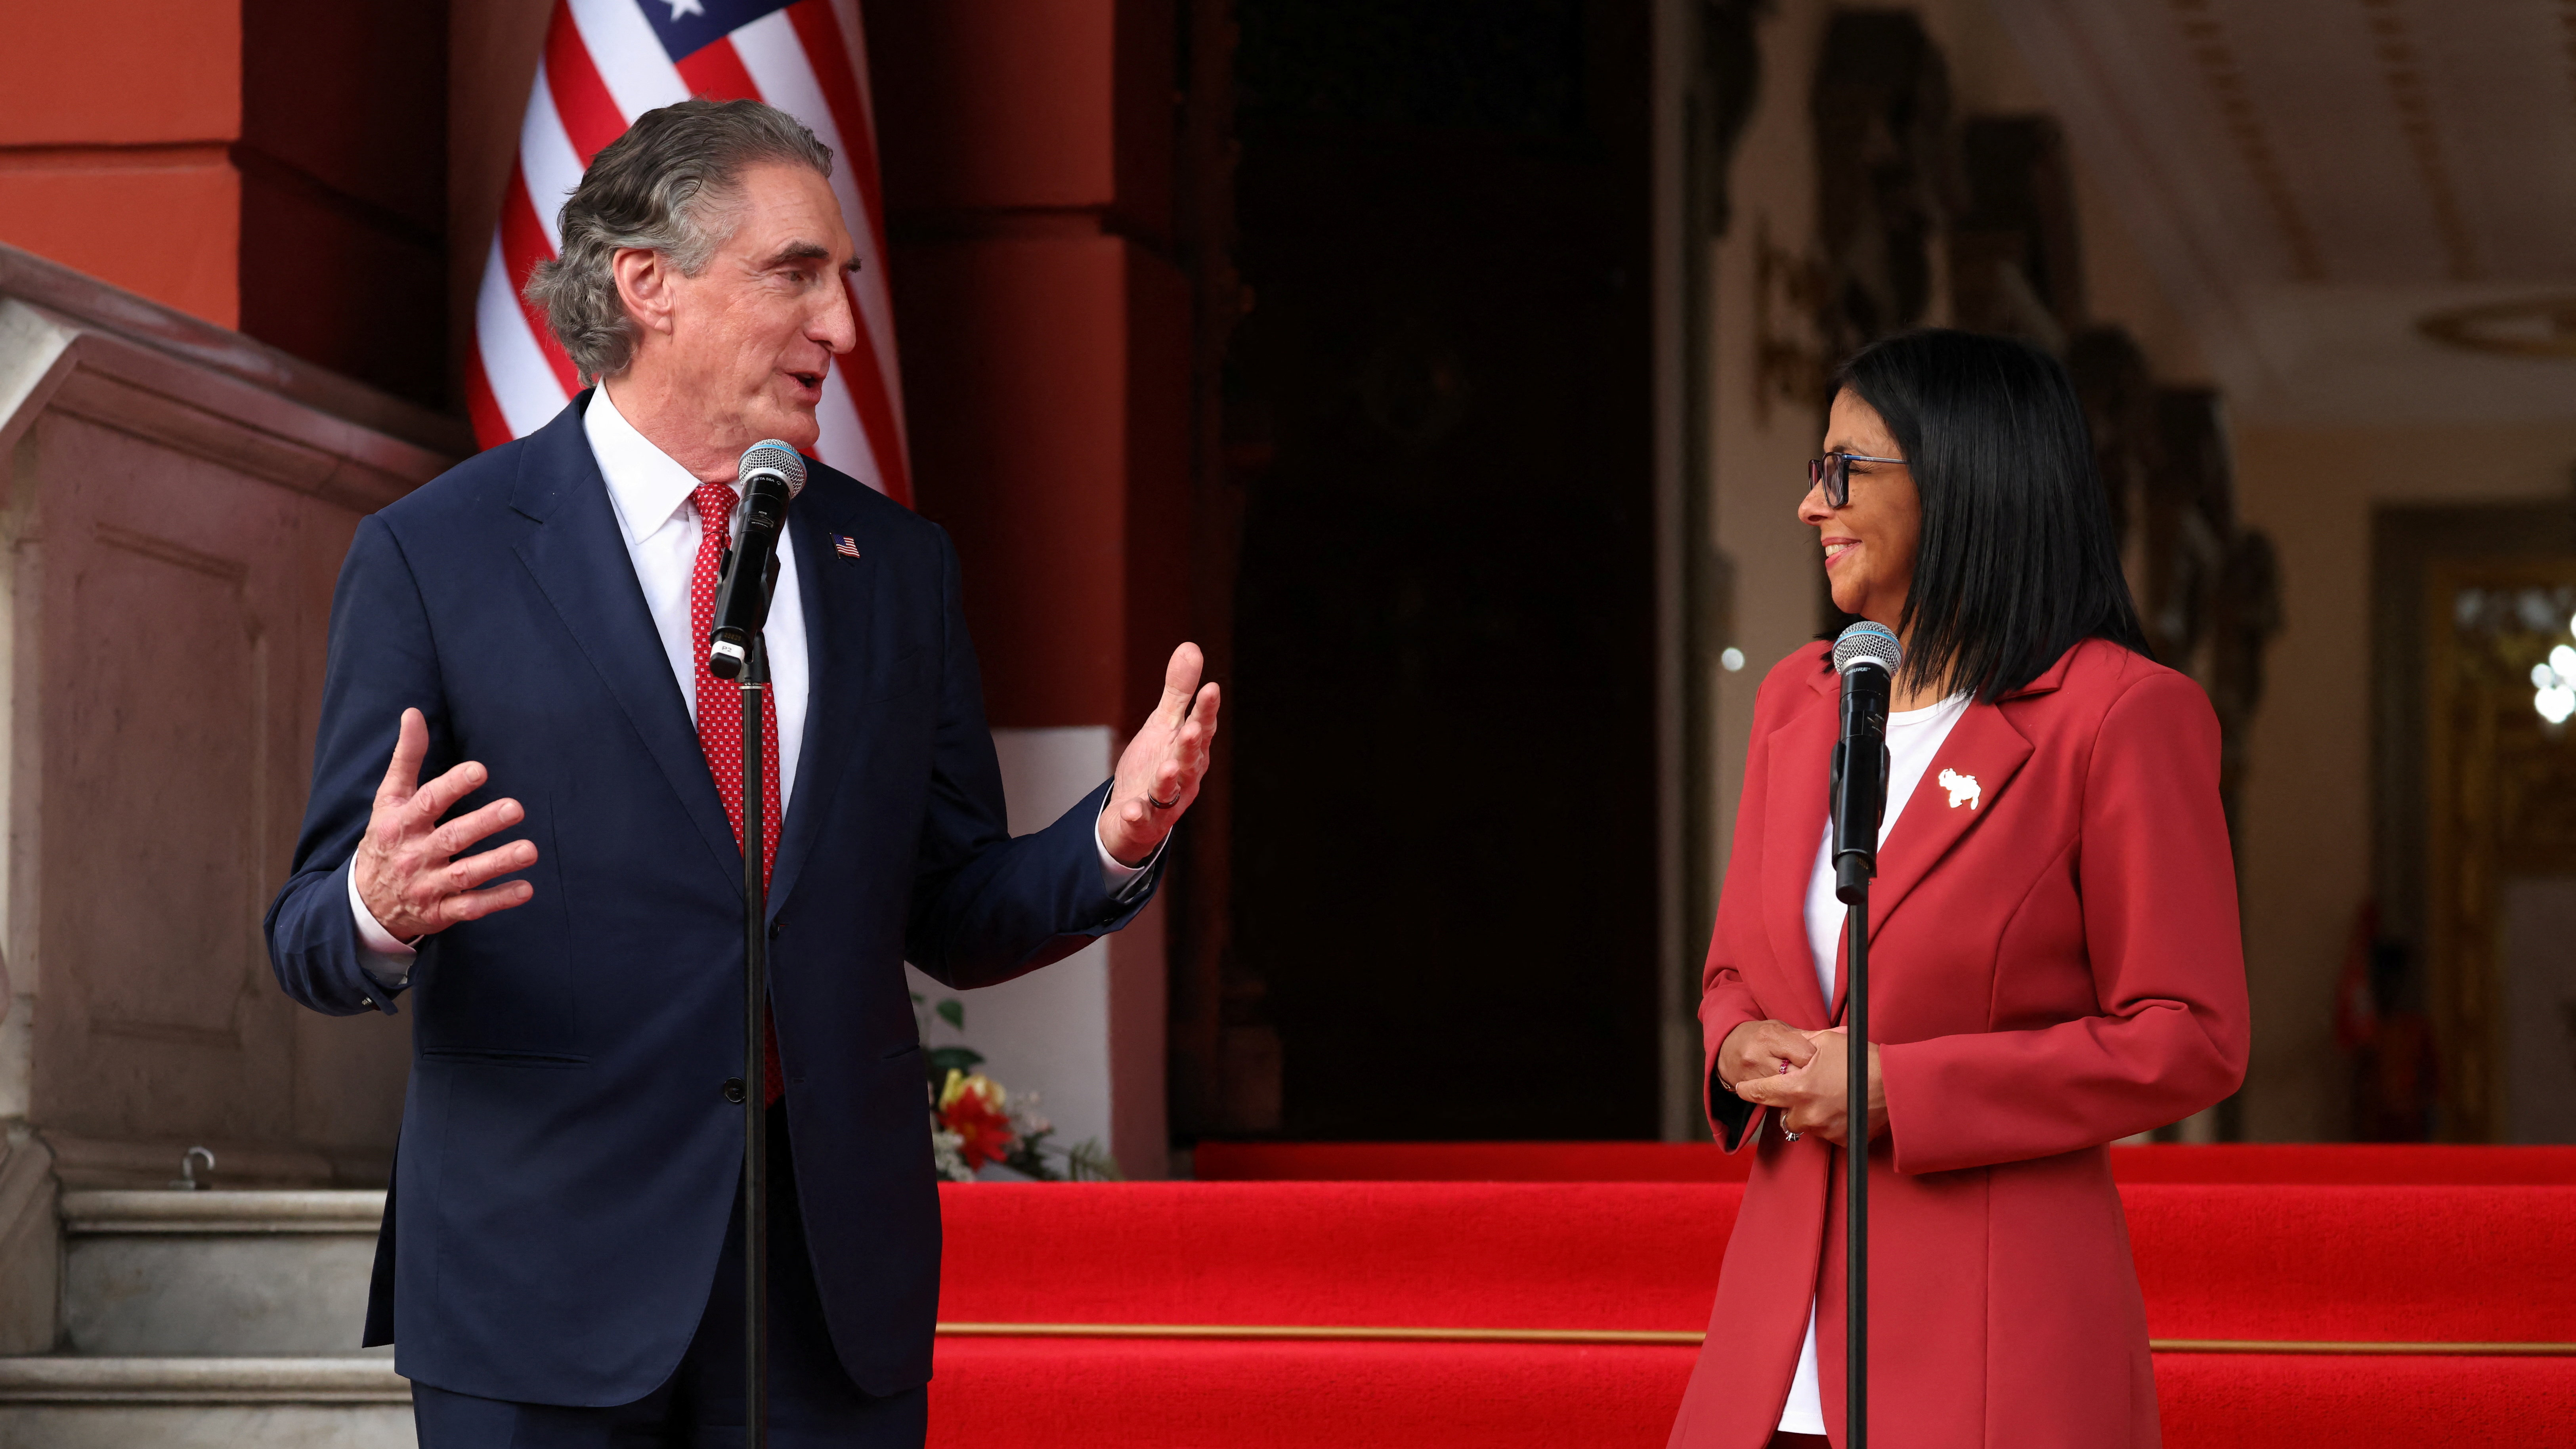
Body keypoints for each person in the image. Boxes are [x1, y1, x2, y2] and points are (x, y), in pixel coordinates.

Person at [264, 99, 1219, 1448]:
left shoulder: (893, 564)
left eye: (844, 280)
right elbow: (306, 931)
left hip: (826, 1283)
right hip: (543, 1281)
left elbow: (951, 906)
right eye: (796, 273)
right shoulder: (440, 555)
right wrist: (374, 903)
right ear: (644, 284)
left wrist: (1114, 836)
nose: (840, 325)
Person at [1664, 329, 2247, 1448]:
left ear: (1963, 478)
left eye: (1843, 470)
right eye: (1810, 471)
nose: (1810, 507)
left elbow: (2189, 1035)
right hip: (1772, 1349)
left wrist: (1905, 1088)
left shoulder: (2118, 716)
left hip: (1995, 1342)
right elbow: (1738, 969)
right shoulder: (1801, 696)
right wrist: (1734, 1045)